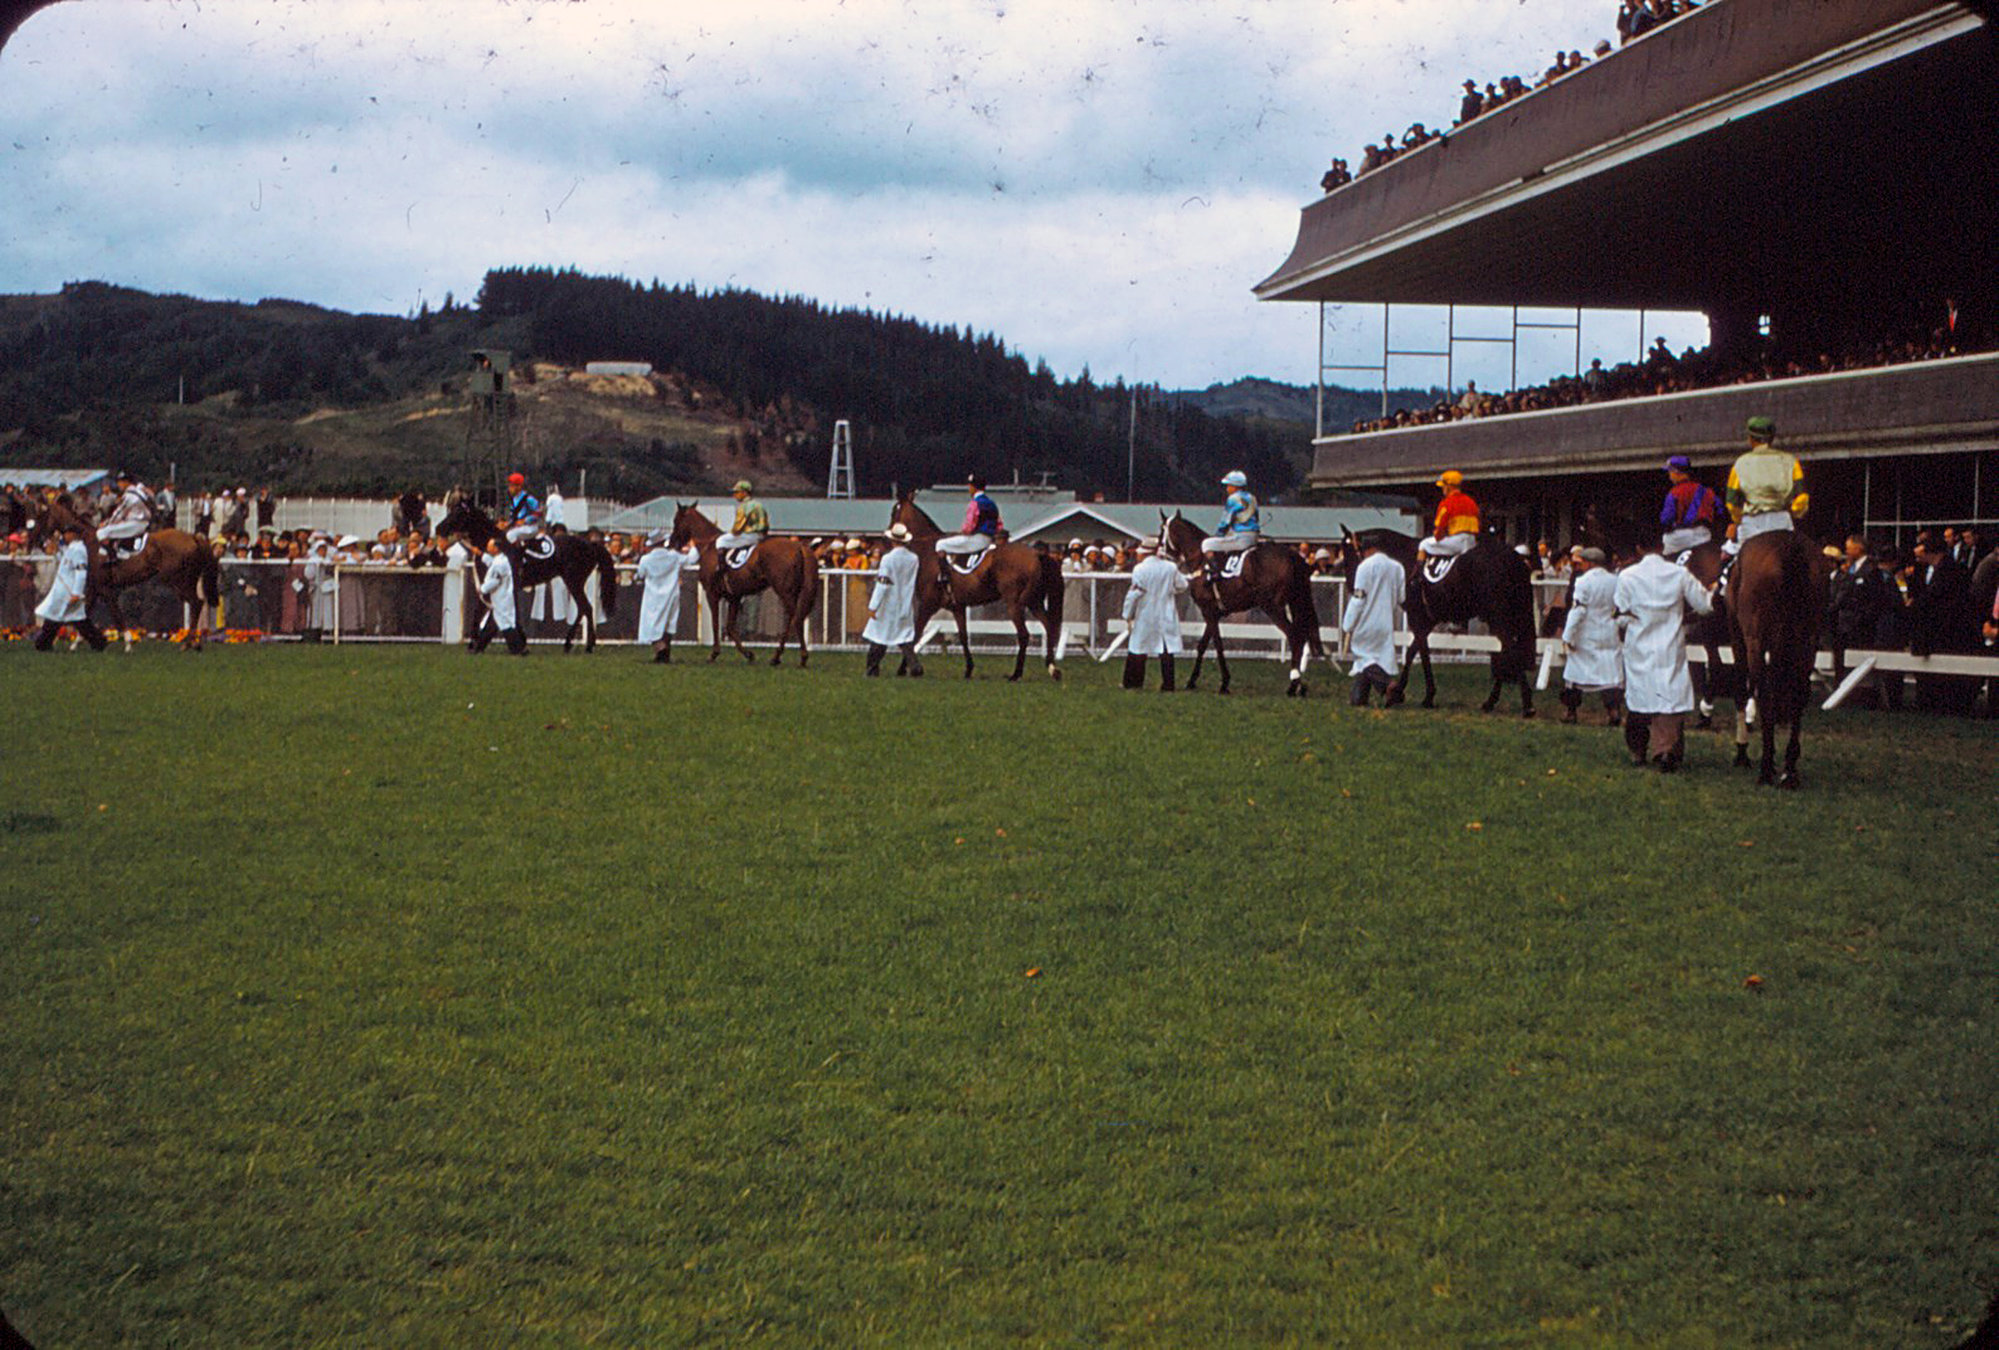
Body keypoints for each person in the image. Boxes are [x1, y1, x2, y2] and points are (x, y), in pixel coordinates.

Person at [1614, 528, 1716, 771]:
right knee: (1669, 698)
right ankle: (1666, 751)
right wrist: (1713, 591)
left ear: (1639, 549)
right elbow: (1704, 607)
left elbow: (1620, 615)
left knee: (1639, 697)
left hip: (1640, 645)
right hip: (1669, 645)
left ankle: (1638, 751)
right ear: (1662, 547)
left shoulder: (1627, 576)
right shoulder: (1679, 574)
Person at [1559, 546, 1623, 724]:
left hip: (1586, 634)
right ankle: (1613, 711)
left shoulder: (1583, 582)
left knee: (1574, 674)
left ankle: (1571, 711)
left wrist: (1568, 635)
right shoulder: (1615, 580)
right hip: (1608, 632)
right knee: (1611, 674)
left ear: (1589, 563)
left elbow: (1578, 609)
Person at [1341, 533, 1405, 707]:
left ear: (1367, 550)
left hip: (1366, 621)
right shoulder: (1397, 567)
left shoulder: (1364, 567)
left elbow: (1359, 597)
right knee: (1371, 659)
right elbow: (1401, 597)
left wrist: (1348, 623)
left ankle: (1387, 685)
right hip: (1386, 622)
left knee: (1362, 654)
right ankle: (1358, 697)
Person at [1724, 416, 1806, 550]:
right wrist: (1794, 513)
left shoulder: (1740, 463)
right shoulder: (1791, 461)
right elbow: (1802, 498)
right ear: (1772, 438)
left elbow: (1731, 503)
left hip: (1752, 523)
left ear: (1750, 439)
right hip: (1781, 520)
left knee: (1732, 560)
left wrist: (1738, 519)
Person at [1121, 539, 1190, 691]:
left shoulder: (1140, 569)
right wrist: (1171, 591)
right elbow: (1183, 585)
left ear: (1145, 553)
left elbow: (1134, 594)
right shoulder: (1170, 567)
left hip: (1146, 612)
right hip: (1166, 612)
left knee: (1138, 648)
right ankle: (1168, 684)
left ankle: (1133, 683)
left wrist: (1127, 614)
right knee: (1166, 650)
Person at [31, 521, 107, 651]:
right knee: (62, 618)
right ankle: (44, 644)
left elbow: (81, 572)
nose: (64, 536)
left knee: (75, 620)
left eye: (66, 533)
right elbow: (64, 561)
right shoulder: (71, 548)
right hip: (62, 591)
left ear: (73, 534)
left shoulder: (79, 550)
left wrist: (77, 592)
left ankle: (98, 642)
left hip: (69, 591)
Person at [862, 522, 923, 676]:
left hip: (888, 602)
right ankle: (914, 664)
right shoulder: (913, 559)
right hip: (905, 601)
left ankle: (872, 668)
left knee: (879, 636)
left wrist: (873, 605)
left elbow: (883, 583)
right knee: (904, 637)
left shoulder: (888, 559)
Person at [633, 529, 698, 663]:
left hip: (652, 596)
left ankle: (660, 649)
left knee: (651, 624)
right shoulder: (673, 556)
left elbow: (640, 574)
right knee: (668, 623)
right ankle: (665, 652)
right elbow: (692, 559)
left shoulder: (646, 559)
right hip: (671, 594)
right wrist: (695, 544)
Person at [471, 535, 526, 655]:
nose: (487, 548)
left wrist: (482, 589)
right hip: (501, 598)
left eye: (489, 546)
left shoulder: (499, 563)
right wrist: (480, 554)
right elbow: (490, 562)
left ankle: (518, 649)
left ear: (496, 548)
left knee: (505, 624)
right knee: (495, 624)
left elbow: (495, 581)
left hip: (502, 598)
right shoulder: (500, 560)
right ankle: (479, 648)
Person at [1659, 455, 1724, 554]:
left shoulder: (1674, 493)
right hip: (1703, 534)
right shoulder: (1706, 491)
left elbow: (1667, 519)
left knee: (1665, 559)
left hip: (1678, 537)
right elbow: (1720, 510)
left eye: (1670, 471)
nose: (1669, 475)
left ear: (1677, 472)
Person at [1200, 470, 1260, 571]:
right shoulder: (1252, 498)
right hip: (1254, 537)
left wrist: (1218, 535)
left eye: (1229, 485)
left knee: (1206, 544)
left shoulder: (1233, 498)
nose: (1227, 488)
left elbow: (1225, 522)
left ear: (1235, 486)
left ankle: (1215, 571)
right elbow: (1256, 517)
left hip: (1241, 538)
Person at [1418, 471, 1480, 558]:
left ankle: (1420, 570)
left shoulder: (1446, 503)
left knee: (1423, 544)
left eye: (1443, 486)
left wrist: (1437, 536)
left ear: (1449, 486)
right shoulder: (1471, 502)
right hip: (1471, 542)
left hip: (1456, 542)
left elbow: (1440, 530)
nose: (1443, 489)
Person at [937, 475, 1001, 556]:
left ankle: (944, 568)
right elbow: (999, 525)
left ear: (973, 487)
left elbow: (969, 526)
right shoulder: (992, 504)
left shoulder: (975, 503)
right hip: (989, 540)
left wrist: (961, 532)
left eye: (970, 486)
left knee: (940, 544)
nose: (969, 488)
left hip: (976, 540)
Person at [95, 470, 154, 556]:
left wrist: (105, 524)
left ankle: (113, 557)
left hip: (136, 524)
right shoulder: (141, 490)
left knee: (101, 532)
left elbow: (119, 514)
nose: (118, 484)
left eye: (120, 482)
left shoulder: (129, 495)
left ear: (127, 482)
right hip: (146, 521)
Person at [300, 532, 337, 642]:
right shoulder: (312, 560)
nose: (323, 551)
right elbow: (308, 574)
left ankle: (328, 632)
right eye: (320, 549)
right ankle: (315, 631)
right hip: (316, 589)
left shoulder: (330, 559)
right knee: (315, 610)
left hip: (327, 589)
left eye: (324, 549)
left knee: (328, 610)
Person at [715, 479, 768, 552]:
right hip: (761, 536)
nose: (734, 495)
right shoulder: (759, 504)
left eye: (737, 492)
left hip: (749, 536)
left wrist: (731, 533)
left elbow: (737, 529)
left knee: (721, 540)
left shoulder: (743, 506)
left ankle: (722, 563)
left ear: (745, 493)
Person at [502, 472, 543, 543]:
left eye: (512, 486)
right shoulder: (514, 500)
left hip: (530, 527)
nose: (509, 489)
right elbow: (514, 517)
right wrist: (507, 524)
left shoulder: (528, 499)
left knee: (510, 535)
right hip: (520, 528)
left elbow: (538, 513)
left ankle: (517, 553)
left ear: (519, 486)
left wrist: (525, 520)